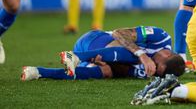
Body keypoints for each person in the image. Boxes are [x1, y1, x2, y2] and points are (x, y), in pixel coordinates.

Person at [21, 26, 185, 81]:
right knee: (134, 54)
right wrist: (141, 55)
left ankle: (37, 72)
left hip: (100, 57)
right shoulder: (160, 37)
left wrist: (110, 65)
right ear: (167, 54)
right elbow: (118, 33)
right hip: (94, 39)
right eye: (157, 65)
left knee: (106, 72)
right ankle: (75, 56)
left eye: (158, 72)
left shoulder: (153, 71)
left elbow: (122, 72)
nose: (154, 68)